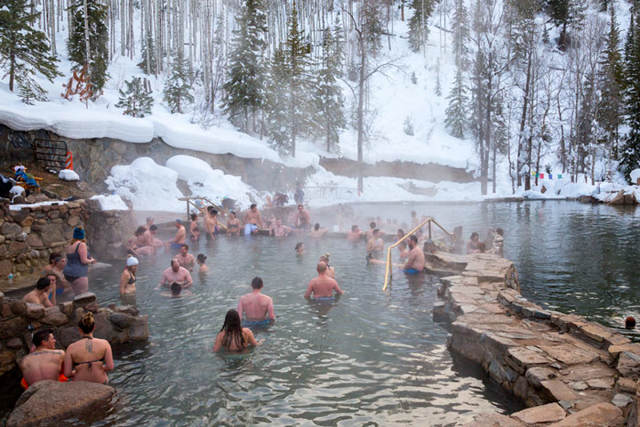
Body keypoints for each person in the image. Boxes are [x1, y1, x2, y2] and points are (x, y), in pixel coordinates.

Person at [64, 312, 114, 383]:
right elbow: (110, 367)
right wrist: (99, 367)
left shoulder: (71, 348)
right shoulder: (104, 343)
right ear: (94, 328)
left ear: (79, 329)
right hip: (100, 381)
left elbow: (67, 374)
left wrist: (77, 371)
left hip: (81, 384)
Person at [63, 227, 96, 295]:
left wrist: (89, 257)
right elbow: (83, 261)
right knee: (83, 295)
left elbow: (71, 258)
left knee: (77, 295)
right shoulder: (81, 244)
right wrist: (91, 260)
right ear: (82, 235)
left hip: (69, 274)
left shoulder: (71, 245)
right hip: (78, 273)